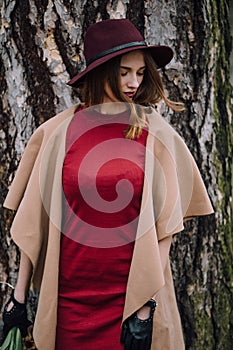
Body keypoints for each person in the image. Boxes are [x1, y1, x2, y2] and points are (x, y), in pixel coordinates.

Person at [2, 19, 214, 350]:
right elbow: (34, 224)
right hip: (68, 301)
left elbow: (165, 232)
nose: (134, 82)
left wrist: (143, 309)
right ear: (101, 72)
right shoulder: (58, 132)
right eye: (124, 72)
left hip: (131, 300)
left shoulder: (155, 135)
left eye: (141, 73)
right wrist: (18, 299)